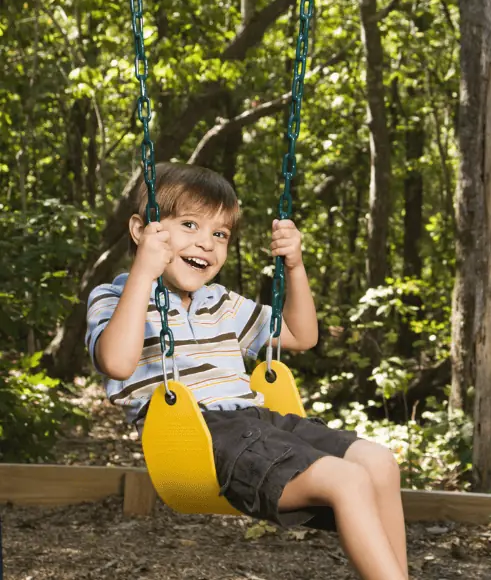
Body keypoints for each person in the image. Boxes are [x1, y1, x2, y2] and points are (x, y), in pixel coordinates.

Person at [85, 162, 409, 580]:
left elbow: (299, 334)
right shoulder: (114, 297)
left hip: (260, 422)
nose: (206, 244)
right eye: (189, 225)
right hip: (201, 434)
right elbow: (116, 362)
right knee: (347, 480)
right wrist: (144, 275)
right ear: (141, 230)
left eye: (219, 234)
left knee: (380, 462)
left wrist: (294, 266)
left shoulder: (220, 301)